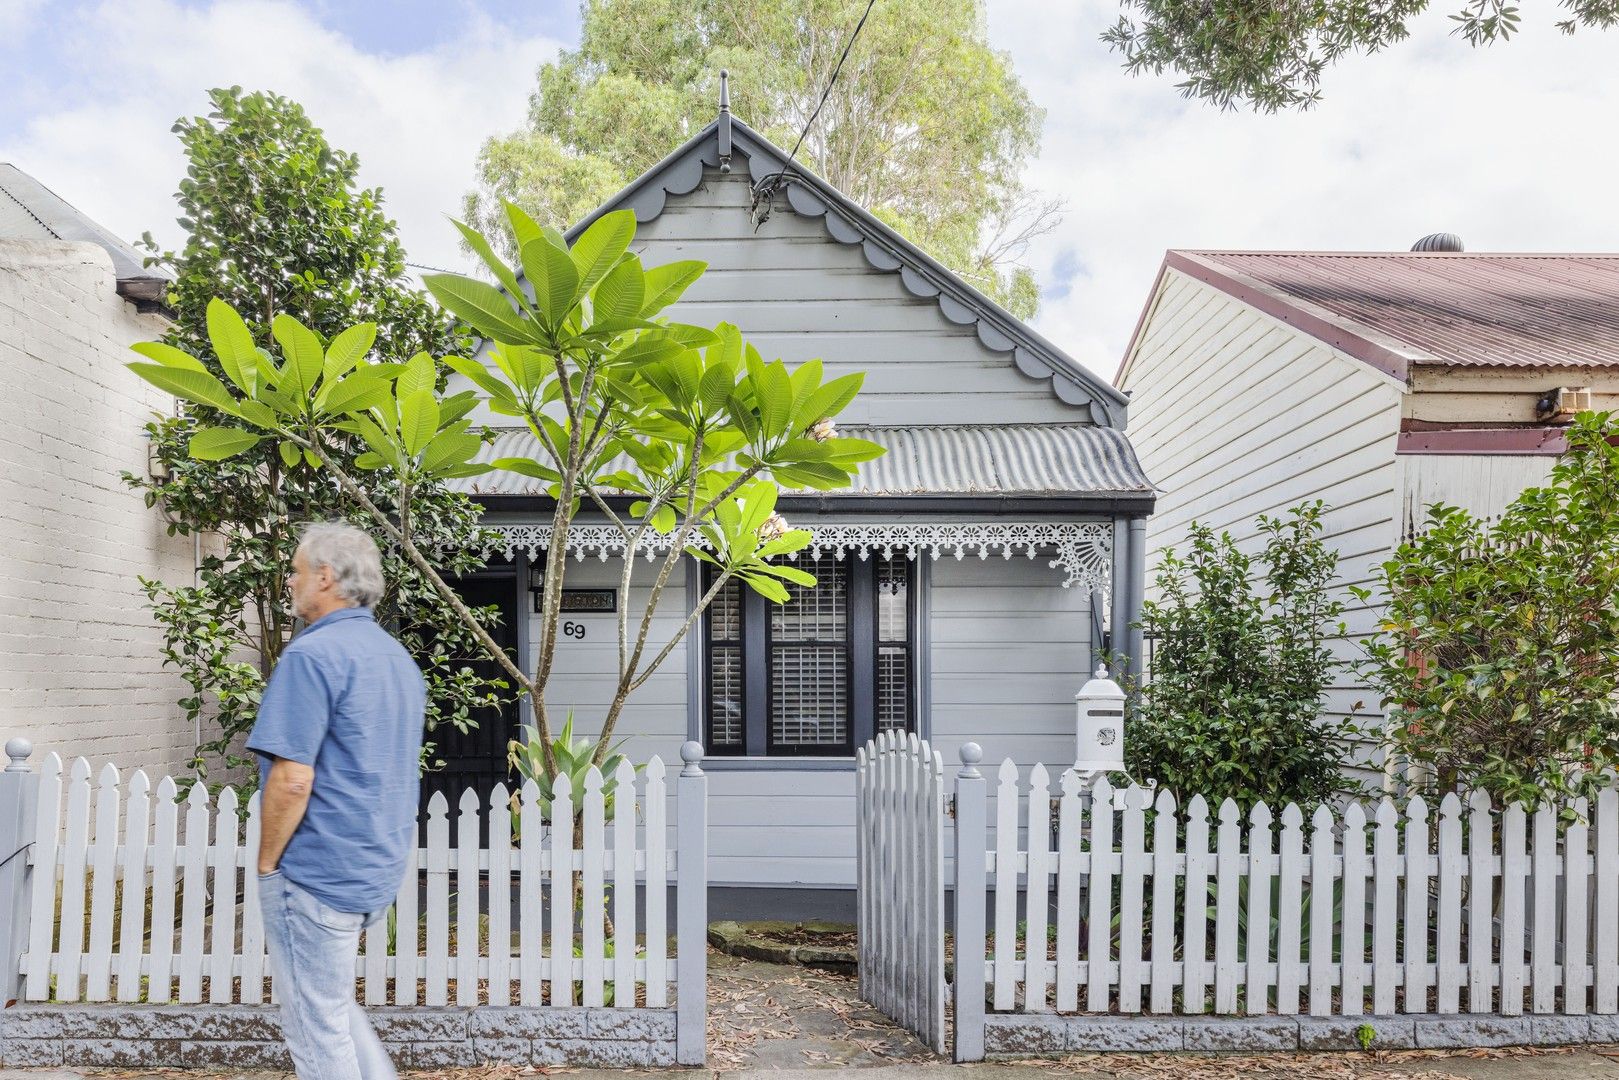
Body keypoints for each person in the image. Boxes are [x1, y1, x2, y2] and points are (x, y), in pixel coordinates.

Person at [247, 522, 425, 1080]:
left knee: (317, 1029)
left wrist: (269, 863)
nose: (291, 584)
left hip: (316, 873)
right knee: (333, 1009)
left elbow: (292, 778)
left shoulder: (312, 656)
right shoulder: (396, 659)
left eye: (297, 572)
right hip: (373, 870)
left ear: (326, 577)